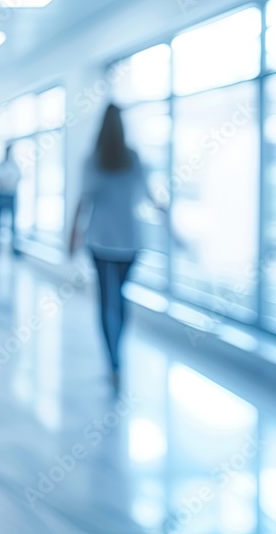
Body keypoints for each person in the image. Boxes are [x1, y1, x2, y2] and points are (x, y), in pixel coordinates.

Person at [69, 104, 166, 393]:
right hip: (130, 240)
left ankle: (113, 361)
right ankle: (117, 354)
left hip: (101, 240)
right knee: (119, 297)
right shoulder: (133, 159)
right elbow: (150, 197)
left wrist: (71, 237)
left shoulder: (93, 161)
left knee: (107, 299)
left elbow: (83, 201)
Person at [0, 146, 22, 255]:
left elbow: (18, 177)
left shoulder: (15, 166)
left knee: (13, 223)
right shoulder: (0, 166)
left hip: (11, 195)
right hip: (2, 195)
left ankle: (13, 247)